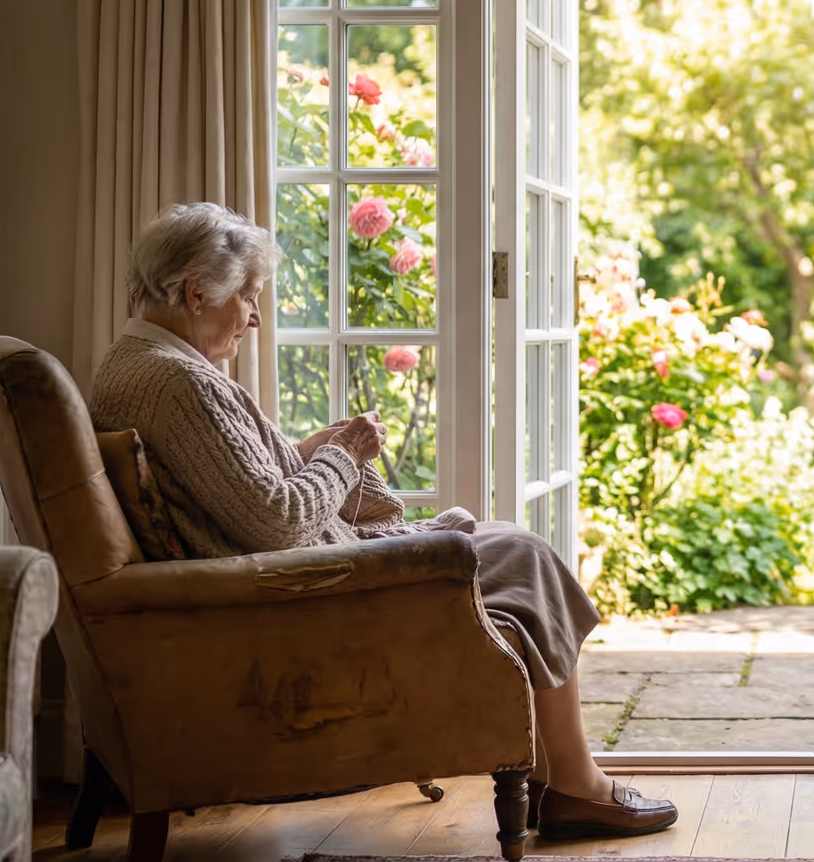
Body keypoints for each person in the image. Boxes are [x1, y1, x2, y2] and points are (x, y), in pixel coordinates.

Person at [89, 202, 674, 840]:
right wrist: (344, 455)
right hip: (306, 595)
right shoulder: (182, 384)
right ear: (197, 292)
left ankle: (557, 777)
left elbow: (238, 486)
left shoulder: (130, 366)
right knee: (525, 554)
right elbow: (278, 521)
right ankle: (576, 787)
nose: (255, 316)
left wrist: (310, 450)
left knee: (499, 546)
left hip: (280, 582)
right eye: (249, 297)